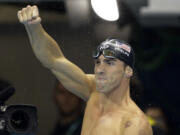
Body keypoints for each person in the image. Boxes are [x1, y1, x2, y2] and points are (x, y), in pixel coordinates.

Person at [17, 5, 152, 135]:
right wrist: (34, 27)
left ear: (128, 70)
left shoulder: (134, 124)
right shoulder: (93, 89)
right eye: (98, 62)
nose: (100, 69)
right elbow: (53, 59)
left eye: (110, 63)